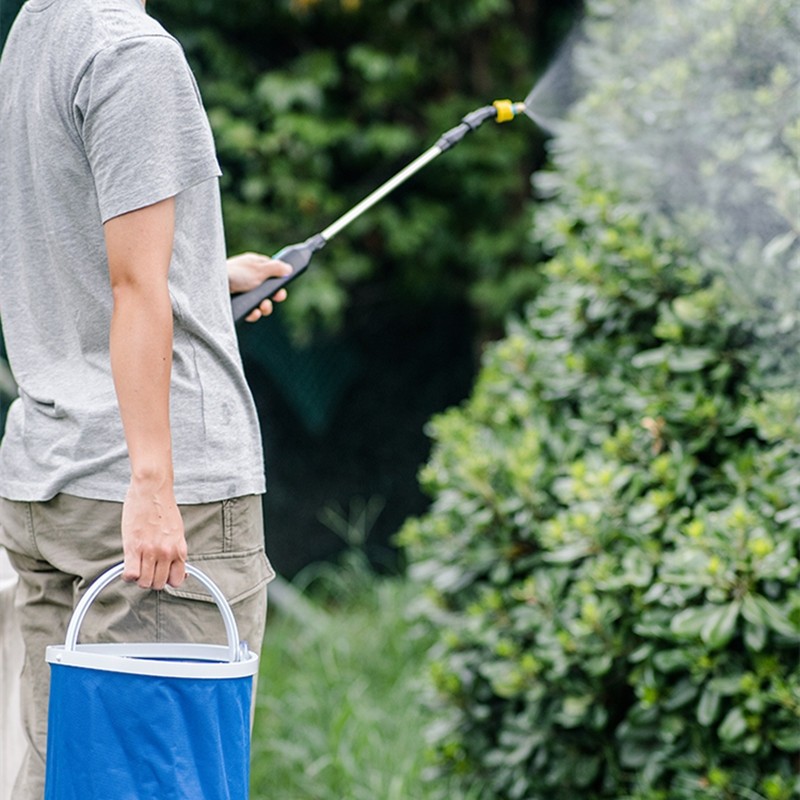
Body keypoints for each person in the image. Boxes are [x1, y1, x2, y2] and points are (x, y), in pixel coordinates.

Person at [0, 0, 290, 796]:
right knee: (163, 782)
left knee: (58, 775)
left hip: (52, 483)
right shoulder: (132, 51)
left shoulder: (39, 25)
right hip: (150, 508)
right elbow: (132, 287)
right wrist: (154, 486)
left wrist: (202, 276)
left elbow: (76, 238)